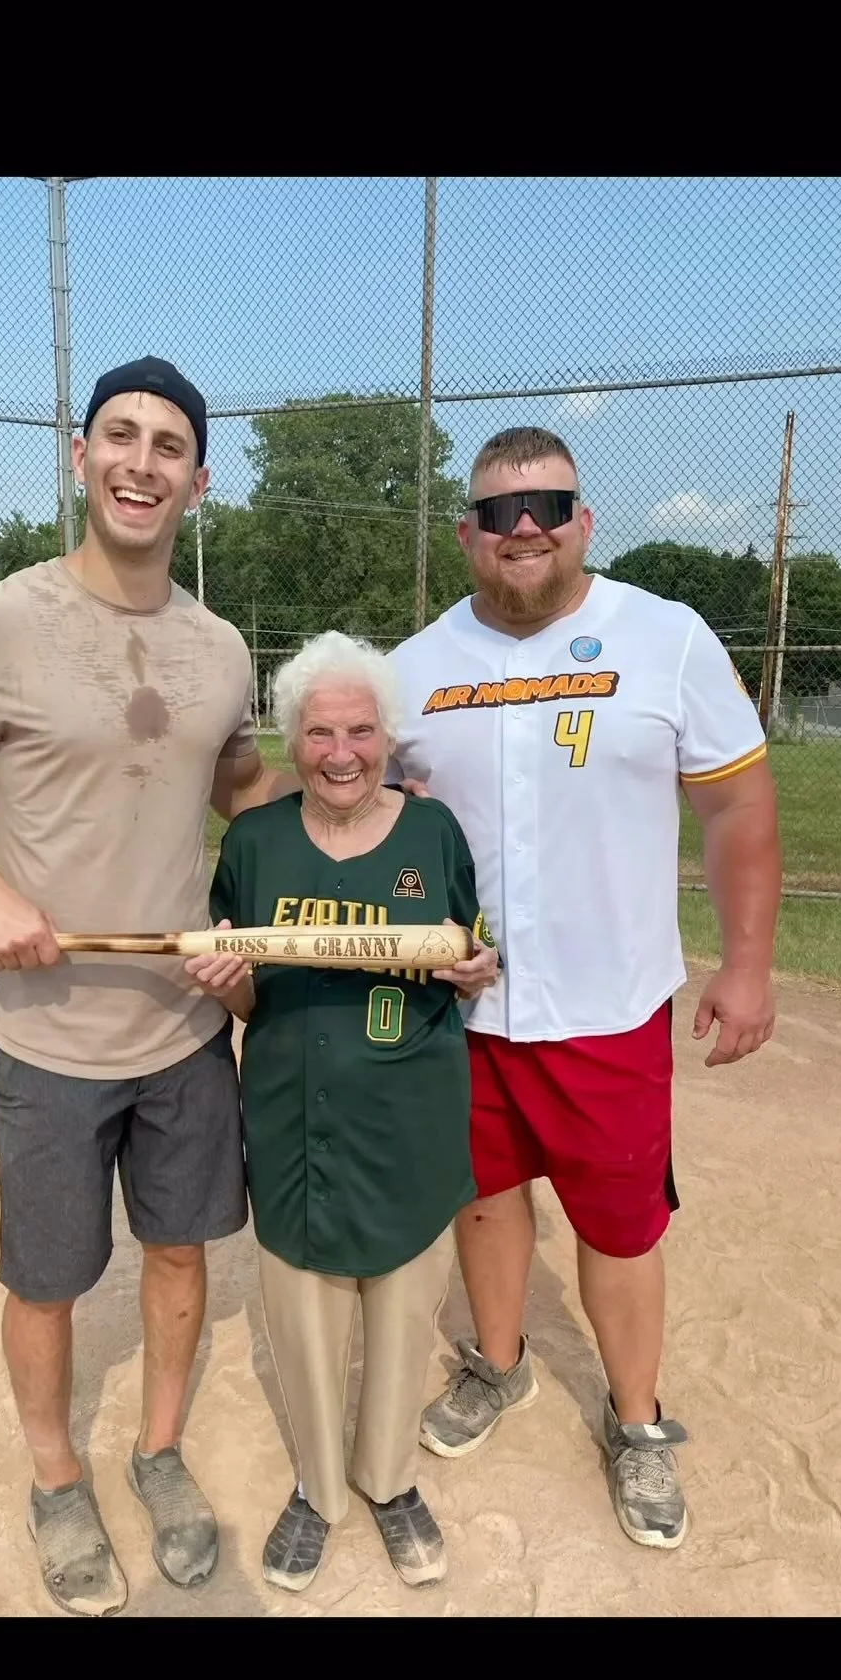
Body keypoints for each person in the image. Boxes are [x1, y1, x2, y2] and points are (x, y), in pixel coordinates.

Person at [0, 356, 297, 1616]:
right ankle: (58, 1473)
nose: (142, 463)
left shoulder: (220, 647)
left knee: (177, 1256)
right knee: (48, 1278)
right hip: (48, 1037)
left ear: (199, 482)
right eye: (122, 436)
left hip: (181, 1024)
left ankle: (157, 1454)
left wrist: (357, 812)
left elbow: (236, 783)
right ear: (79, 454)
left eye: (170, 446)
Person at [388, 426, 781, 1550]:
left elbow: (739, 808)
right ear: (464, 531)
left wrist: (748, 963)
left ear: (582, 523)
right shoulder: (417, 665)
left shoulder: (664, 637)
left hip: (610, 1009)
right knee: (486, 1198)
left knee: (619, 1228)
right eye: (499, 511)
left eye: (548, 505)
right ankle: (498, 1366)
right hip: (462, 1009)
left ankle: (639, 1420)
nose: (525, 528)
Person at [183, 631, 497, 1592]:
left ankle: (390, 1480)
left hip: (411, 1113)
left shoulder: (433, 834)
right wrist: (226, 983)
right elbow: (244, 999)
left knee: (404, 1312)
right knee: (307, 1314)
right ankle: (319, 1488)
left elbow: (470, 960)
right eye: (320, 732)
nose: (342, 752)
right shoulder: (255, 842)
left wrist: (480, 970)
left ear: (387, 733)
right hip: (294, 1115)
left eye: (361, 730)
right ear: (293, 738)